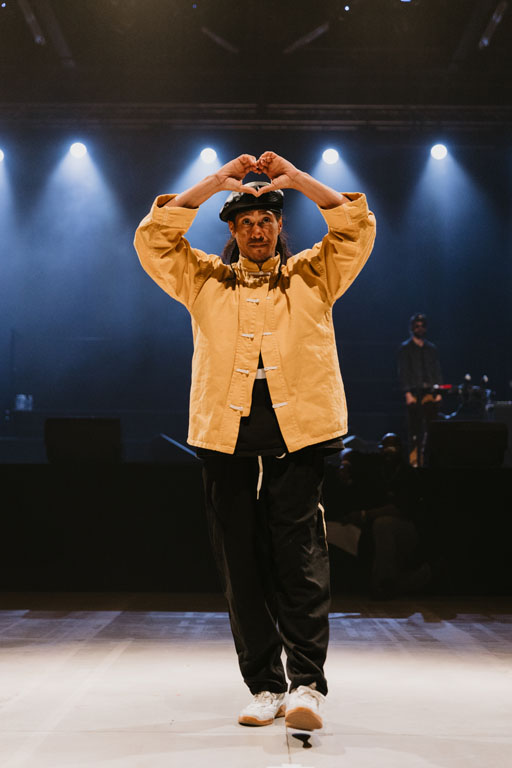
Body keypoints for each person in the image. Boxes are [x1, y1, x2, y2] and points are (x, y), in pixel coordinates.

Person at [134, 151, 376, 730]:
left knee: (299, 557)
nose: (257, 230)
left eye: (266, 219)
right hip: (226, 432)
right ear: (233, 231)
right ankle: (265, 686)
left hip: (301, 431)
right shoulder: (205, 281)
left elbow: (356, 228)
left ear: (279, 225)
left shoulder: (312, 274)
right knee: (239, 562)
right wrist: (216, 182)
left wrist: (296, 180)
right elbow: (153, 240)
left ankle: (307, 684)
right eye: (245, 221)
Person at [398, 313, 443, 467]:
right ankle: (414, 460)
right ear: (412, 328)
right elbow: (403, 372)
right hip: (414, 392)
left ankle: (430, 459)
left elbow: (437, 370)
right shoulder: (406, 348)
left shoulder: (431, 349)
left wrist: (438, 392)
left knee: (431, 427)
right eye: (417, 326)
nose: (420, 328)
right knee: (414, 428)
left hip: (430, 392)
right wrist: (407, 393)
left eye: (422, 326)